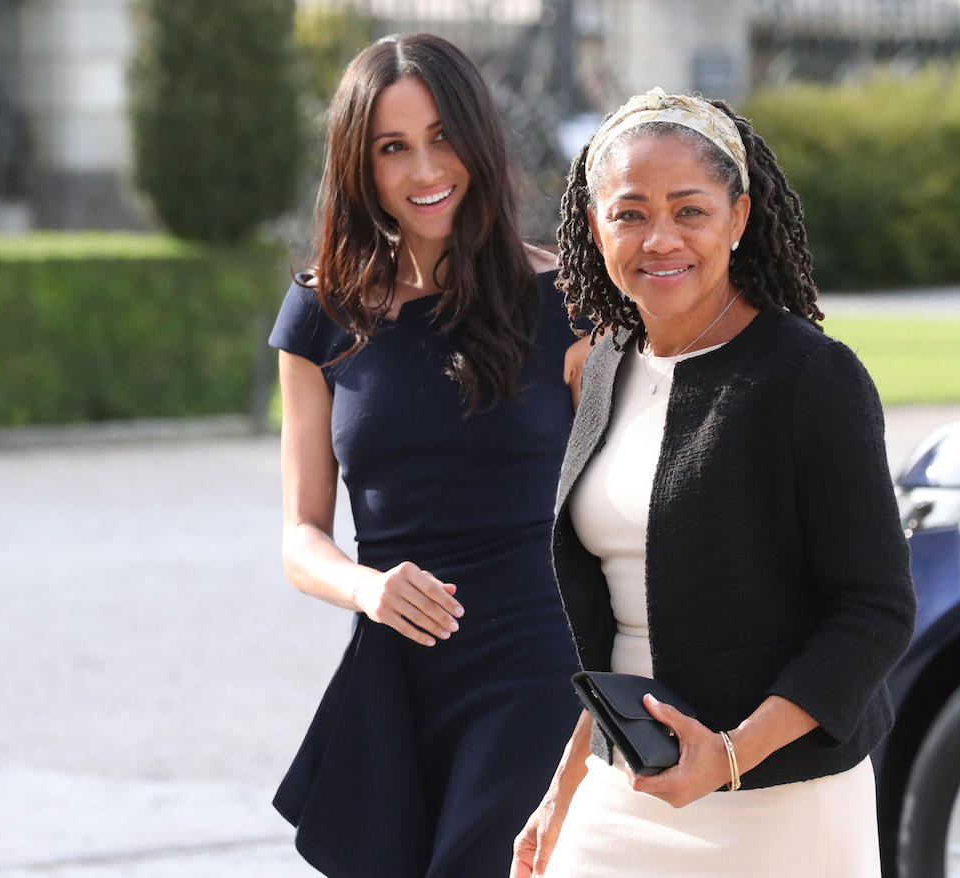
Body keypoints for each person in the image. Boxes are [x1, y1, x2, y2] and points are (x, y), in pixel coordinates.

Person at [511, 88, 916, 878]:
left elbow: (875, 611)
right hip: (623, 787)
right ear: (595, 229)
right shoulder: (603, 367)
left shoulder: (810, 377)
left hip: (778, 804)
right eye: (629, 213)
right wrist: (565, 788)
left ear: (738, 217)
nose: (660, 238)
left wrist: (729, 755)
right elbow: (622, 620)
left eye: (689, 210)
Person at [267, 33, 588, 878]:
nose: (423, 170)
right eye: (393, 147)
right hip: (395, 674)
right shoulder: (319, 318)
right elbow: (301, 535)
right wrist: (368, 588)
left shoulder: (566, 307)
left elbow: (625, 509)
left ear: (478, 139)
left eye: (442, 136)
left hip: (538, 668)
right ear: (358, 163)